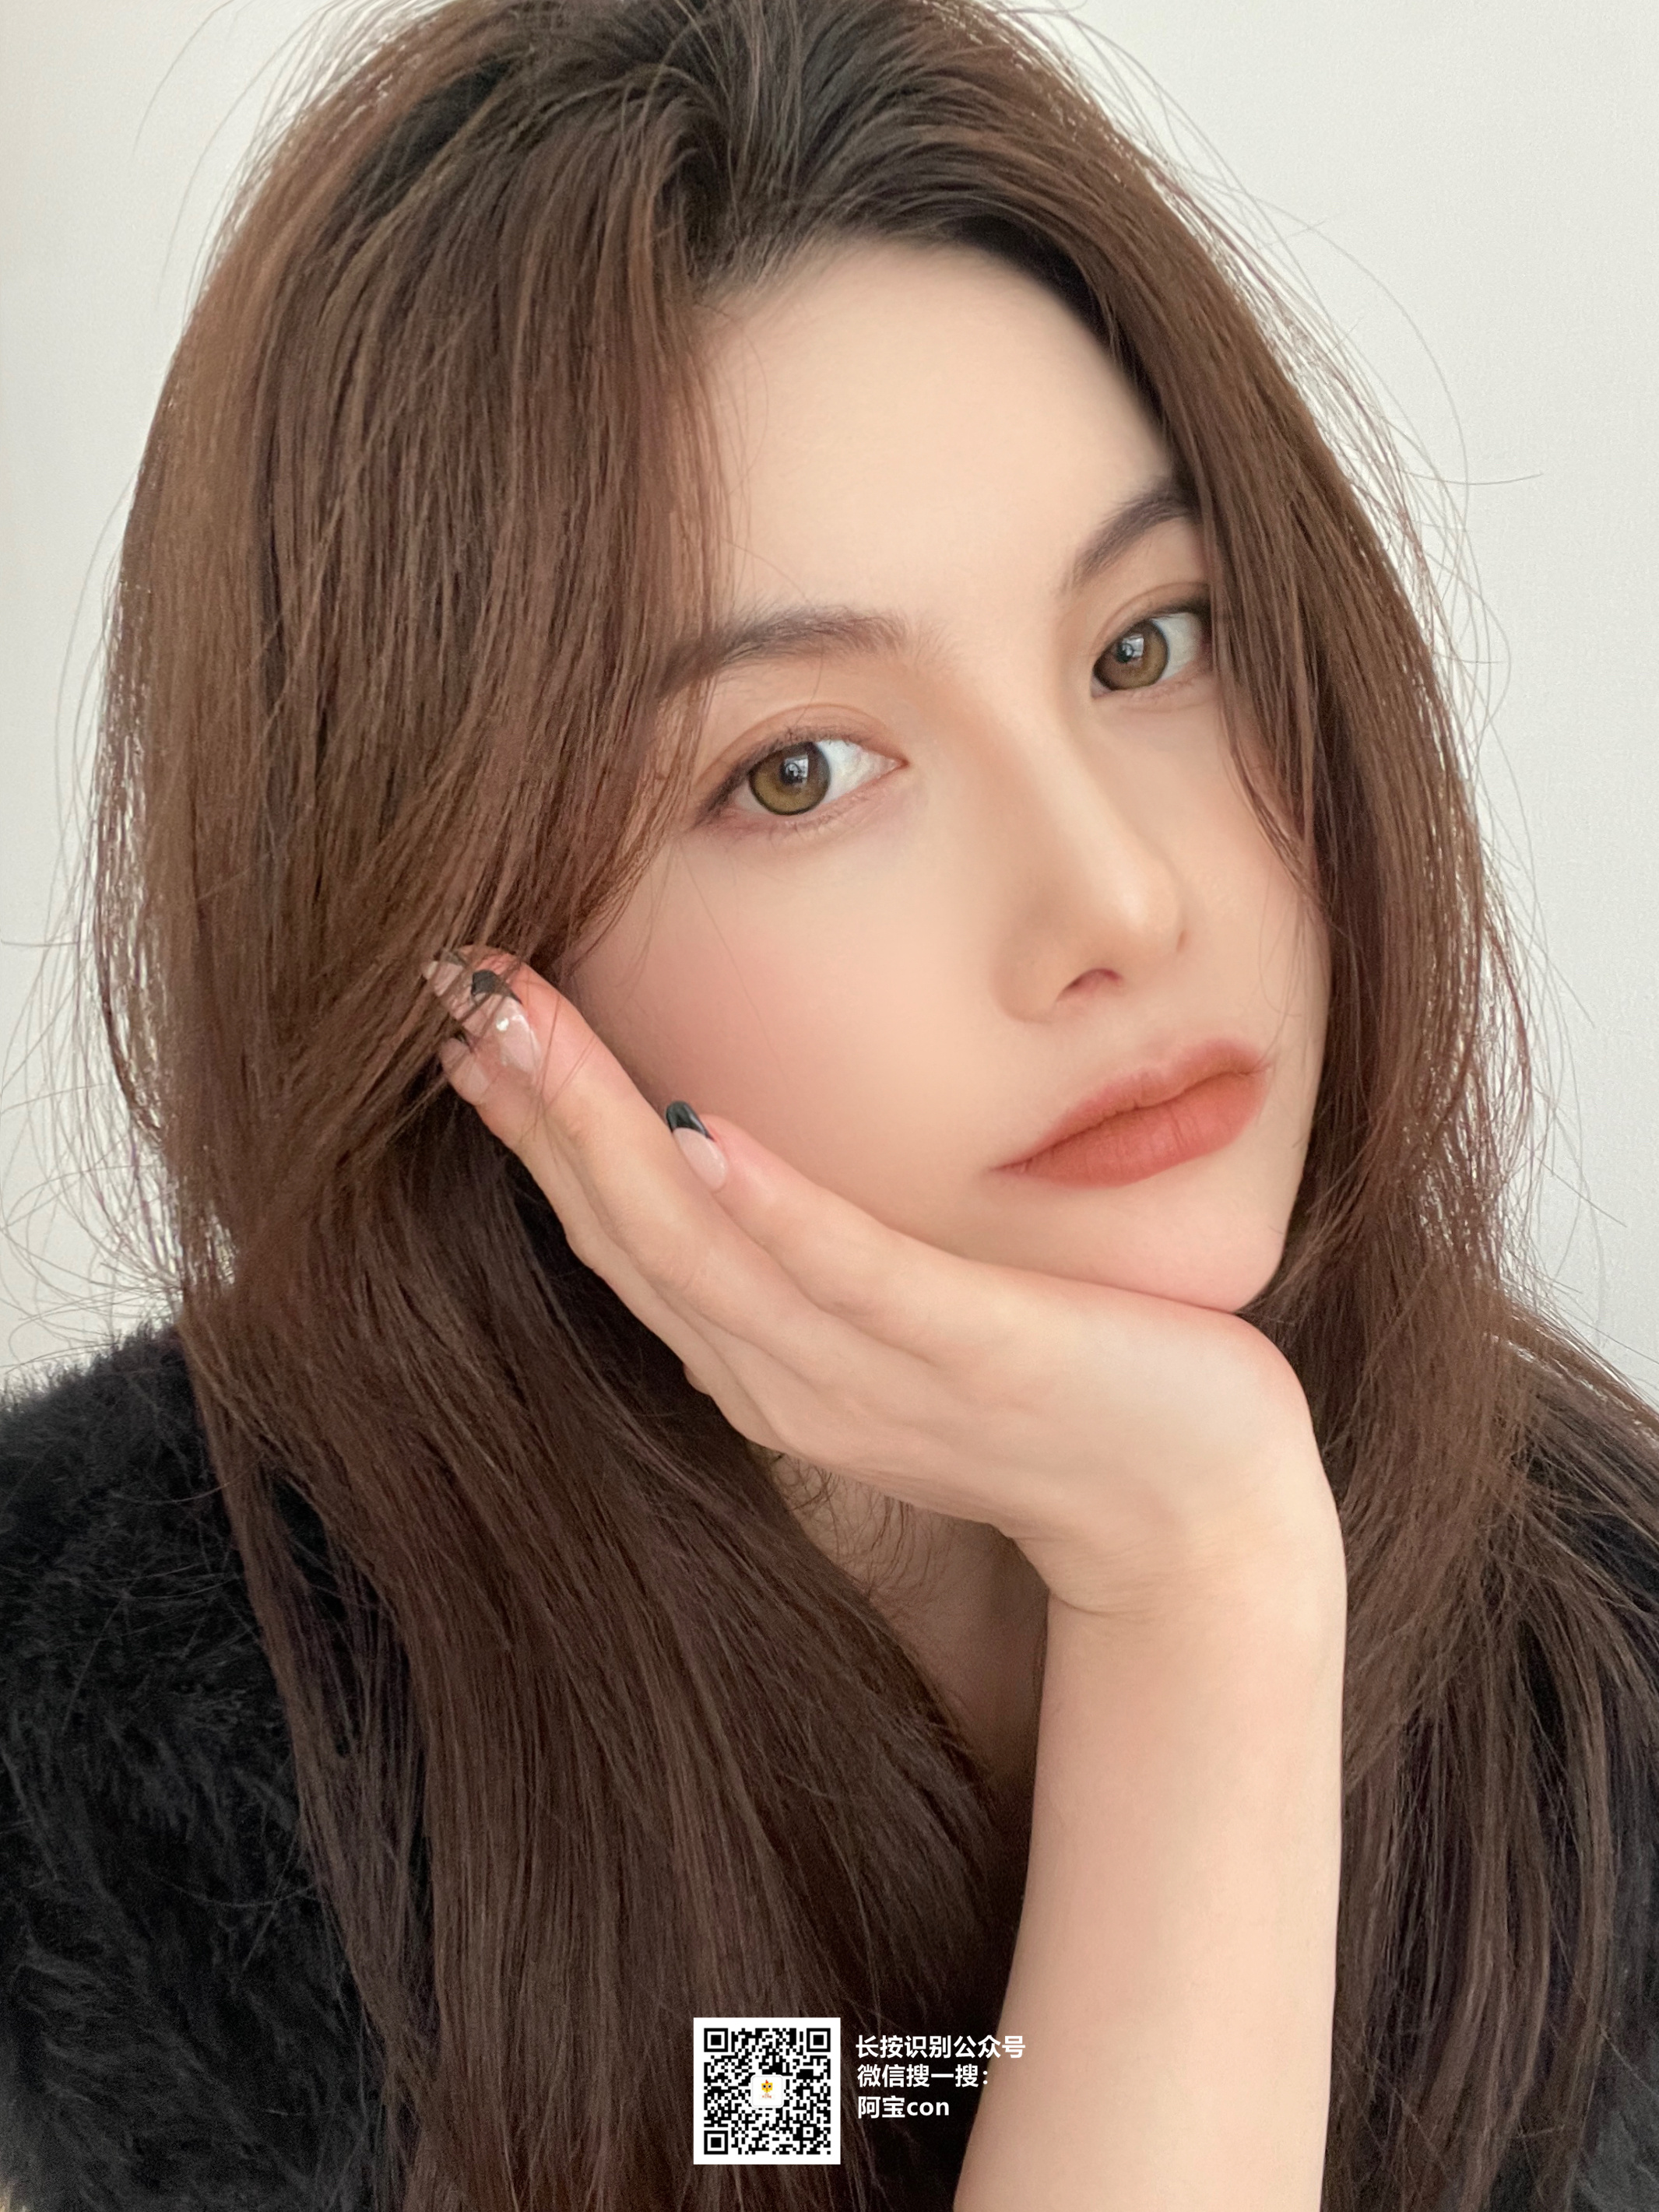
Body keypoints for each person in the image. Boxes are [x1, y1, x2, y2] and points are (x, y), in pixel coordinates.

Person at [2, 0, 1658, 2208]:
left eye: (1147, 644)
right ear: (462, 961)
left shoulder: (1598, 1673)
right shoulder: (143, 1766)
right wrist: (1194, 1581)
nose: (1119, 899)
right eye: (797, 768)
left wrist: (1207, 1569)